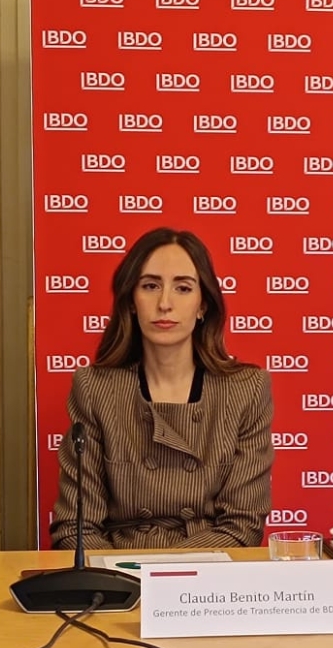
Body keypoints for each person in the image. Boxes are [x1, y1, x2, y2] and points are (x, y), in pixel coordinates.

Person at [51, 227, 272, 550]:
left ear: (202, 305)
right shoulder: (94, 388)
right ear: (131, 301)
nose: (165, 303)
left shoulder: (245, 390)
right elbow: (75, 529)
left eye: (183, 288)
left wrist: (165, 573)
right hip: (118, 569)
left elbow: (242, 527)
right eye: (151, 286)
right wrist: (123, 574)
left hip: (207, 569)